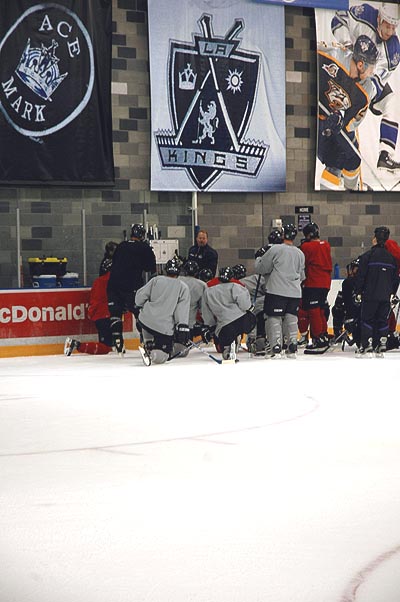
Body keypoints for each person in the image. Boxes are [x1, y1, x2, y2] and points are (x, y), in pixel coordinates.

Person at [331, 3, 400, 171]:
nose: (389, 32)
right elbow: (337, 20)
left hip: (367, 81)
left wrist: (361, 97)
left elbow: (378, 81)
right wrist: (346, 44)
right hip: (347, 68)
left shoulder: (394, 50)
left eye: (393, 27)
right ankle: (337, 162)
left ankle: (385, 154)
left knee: (393, 103)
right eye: (386, 26)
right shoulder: (363, 14)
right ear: (379, 18)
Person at [317, 34, 378, 190]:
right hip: (314, 120)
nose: (372, 73)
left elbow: (350, 124)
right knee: (334, 163)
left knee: (353, 158)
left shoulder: (367, 90)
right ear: (360, 64)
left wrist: (339, 122)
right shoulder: (330, 55)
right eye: (371, 68)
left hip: (336, 126)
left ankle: (352, 190)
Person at [255, 224, 305, 358]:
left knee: (274, 317)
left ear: (283, 235)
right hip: (295, 291)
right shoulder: (300, 253)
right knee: (291, 317)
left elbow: (262, 268)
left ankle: (276, 346)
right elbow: (302, 275)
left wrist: (259, 259)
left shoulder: (275, 249)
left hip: (276, 290)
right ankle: (292, 344)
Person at [107, 224, 156, 355]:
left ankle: (118, 344)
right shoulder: (144, 247)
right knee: (140, 314)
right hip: (131, 286)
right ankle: (146, 341)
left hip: (113, 286)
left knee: (115, 314)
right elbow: (150, 267)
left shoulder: (121, 246)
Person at [135, 258, 190, 365]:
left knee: (148, 330)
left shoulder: (155, 280)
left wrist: (140, 308)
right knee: (165, 354)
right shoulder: (183, 287)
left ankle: (148, 343)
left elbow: (139, 298)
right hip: (163, 327)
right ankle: (152, 354)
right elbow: (181, 310)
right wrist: (182, 326)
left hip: (145, 320)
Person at [354, 226, 399, 354]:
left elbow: (361, 276)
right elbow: (395, 279)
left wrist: (358, 291)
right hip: (385, 295)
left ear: (375, 238)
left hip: (370, 294)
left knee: (367, 318)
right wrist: (391, 293)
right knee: (382, 319)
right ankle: (382, 342)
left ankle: (367, 344)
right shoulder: (391, 259)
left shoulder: (367, 256)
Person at [201, 266, 256, 361]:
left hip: (224, 326)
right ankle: (253, 340)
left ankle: (227, 349)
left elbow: (207, 314)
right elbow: (246, 306)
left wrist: (211, 326)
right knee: (252, 317)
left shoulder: (208, 292)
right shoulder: (236, 287)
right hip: (242, 321)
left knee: (225, 337)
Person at [64, 267, 114, 357]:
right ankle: (77, 345)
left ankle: (78, 345)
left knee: (108, 344)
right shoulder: (114, 280)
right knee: (106, 347)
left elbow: (94, 300)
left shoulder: (98, 281)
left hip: (101, 316)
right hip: (106, 315)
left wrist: (91, 313)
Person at [299, 222, 333, 354]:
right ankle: (323, 334)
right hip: (325, 283)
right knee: (320, 309)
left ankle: (318, 337)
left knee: (313, 311)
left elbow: (303, 262)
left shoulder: (307, 247)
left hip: (313, 282)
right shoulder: (326, 245)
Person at [233, 264, 266, 356]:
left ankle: (251, 340)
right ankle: (260, 341)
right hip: (262, 306)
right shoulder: (256, 278)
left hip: (247, 308)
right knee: (261, 323)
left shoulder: (235, 284)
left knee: (250, 324)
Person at [178, 260, 207, 350]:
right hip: (189, 324)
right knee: (185, 349)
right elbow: (203, 308)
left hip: (172, 322)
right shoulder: (202, 285)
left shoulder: (176, 280)